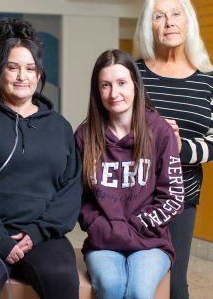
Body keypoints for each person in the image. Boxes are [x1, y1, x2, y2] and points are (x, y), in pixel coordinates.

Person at [0, 18, 82, 299]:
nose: (22, 76)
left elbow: (72, 189)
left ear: (39, 73)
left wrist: (37, 232)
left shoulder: (59, 127)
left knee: (60, 277)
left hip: (41, 235)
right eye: (13, 67)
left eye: (30, 68)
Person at [133, 0, 213, 299]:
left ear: (188, 21)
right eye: (159, 16)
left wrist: (180, 148)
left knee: (174, 284)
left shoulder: (211, 79)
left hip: (181, 196)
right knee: (134, 280)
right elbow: (111, 130)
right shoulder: (133, 74)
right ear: (149, 26)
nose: (169, 23)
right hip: (132, 194)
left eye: (176, 14)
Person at [75, 49, 185, 299]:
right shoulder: (84, 137)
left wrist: (133, 226)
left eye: (121, 83)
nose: (114, 93)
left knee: (138, 291)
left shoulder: (160, 131)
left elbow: (174, 197)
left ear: (135, 85)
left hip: (150, 241)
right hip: (104, 240)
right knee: (111, 286)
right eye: (106, 85)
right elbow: (77, 198)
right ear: (97, 90)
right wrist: (100, 226)